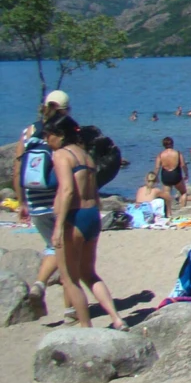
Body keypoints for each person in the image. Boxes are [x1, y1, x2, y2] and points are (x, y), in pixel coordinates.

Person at [44, 112, 126, 330]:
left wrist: (59, 226)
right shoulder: (86, 156)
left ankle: (85, 327)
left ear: (59, 135)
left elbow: (68, 190)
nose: (46, 140)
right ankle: (116, 319)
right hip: (92, 216)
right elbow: (95, 192)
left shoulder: (62, 155)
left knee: (69, 277)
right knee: (89, 274)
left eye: (48, 135)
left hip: (75, 215)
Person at [12, 90, 71, 302]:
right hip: (56, 197)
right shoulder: (63, 131)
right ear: (65, 109)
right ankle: (68, 309)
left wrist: (22, 202)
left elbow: (18, 168)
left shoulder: (27, 132)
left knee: (51, 246)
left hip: (34, 198)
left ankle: (39, 284)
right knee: (66, 252)